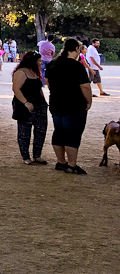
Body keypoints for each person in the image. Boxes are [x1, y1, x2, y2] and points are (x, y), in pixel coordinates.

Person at [45, 38, 93, 174]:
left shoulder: (52, 64)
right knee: (72, 134)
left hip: (56, 103)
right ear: (77, 49)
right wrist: (88, 101)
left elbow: (47, 82)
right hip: (74, 105)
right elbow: (85, 87)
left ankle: (61, 162)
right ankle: (72, 165)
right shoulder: (77, 66)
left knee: (58, 132)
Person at [11, 51, 48, 165]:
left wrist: (44, 102)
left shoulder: (35, 72)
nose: (40, 63)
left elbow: (39, 88)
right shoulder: (21, 72)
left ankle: (37, 155)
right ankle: (25, 156)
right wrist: (26, 103)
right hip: (25, 105)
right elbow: (16, 89)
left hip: (39, 104)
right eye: (38, 61)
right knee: (24, 132)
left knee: (40, 131)